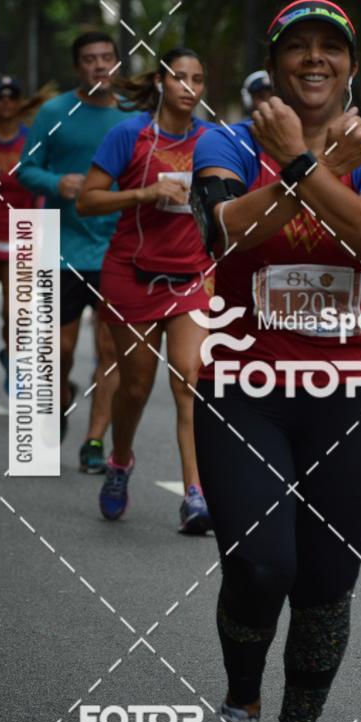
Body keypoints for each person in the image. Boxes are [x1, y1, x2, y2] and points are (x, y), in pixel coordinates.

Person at [189, 0, 361, 722]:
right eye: (298, 48)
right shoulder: (225, 142)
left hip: (350, 394)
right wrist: (302, 168)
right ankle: (240, 707)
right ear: (277, 59)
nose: (313, 60)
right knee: (258, 565)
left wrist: (305, 167)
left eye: (330, 48)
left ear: (352, 66)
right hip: (244, 388)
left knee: (326, 585)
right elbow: (228, 234)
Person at [77, 48, 215, 533]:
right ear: (160, 82)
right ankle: (119, 461)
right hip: (131, 274)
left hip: (191, 277)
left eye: (198, 79)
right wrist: (145, 192)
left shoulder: (212, 140)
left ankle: (196, 495)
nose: (189, 87)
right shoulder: (129, 134)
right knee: (135, 386)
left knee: (189, 379)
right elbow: (87, 201)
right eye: (180, 77)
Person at [19, 31, 132, 473]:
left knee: (109, 349)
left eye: (107, 57)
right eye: (90, 59)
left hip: (119, 246)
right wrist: (56, 183)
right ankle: (62, 392)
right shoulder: (54, 112)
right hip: (61, 246)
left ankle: (94, 440)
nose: (99, 65)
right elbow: (27, 168)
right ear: (78, 67)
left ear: (118, 64)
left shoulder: (134, 114)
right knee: (60, 349)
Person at [0, 76, 36, 406]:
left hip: (21, 235)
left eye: (12, 97)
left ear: (20, 102)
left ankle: (13, 365)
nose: (5, 103)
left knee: (15, 312)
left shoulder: (32, 140)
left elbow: (40, 183)